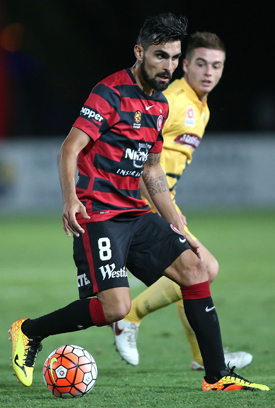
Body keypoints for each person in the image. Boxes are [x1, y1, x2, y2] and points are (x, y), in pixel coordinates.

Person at [9, 14, 268, 392]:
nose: (169, 66)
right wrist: (70, 200)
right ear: (139, 52)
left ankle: (216, 375)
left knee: (196, 268)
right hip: (99, 214)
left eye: (175, 58)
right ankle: (28, 331)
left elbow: (151, 171)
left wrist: (179, 227)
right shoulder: (110, 92)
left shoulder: (161, 105)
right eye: (160, 56)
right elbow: (70, 147)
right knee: (114, 308)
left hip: (135, 211)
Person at [111, 32, 253, 371]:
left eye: (216, 66)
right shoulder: (174, 100)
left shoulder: (200, 106)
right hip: (140, 200)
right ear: (185, 65)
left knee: (193, 273)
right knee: (203, 268)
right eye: (201, 64)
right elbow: (140, 155)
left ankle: (203, 356)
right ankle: (129, 316)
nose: (209, 72)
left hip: (161, 200)